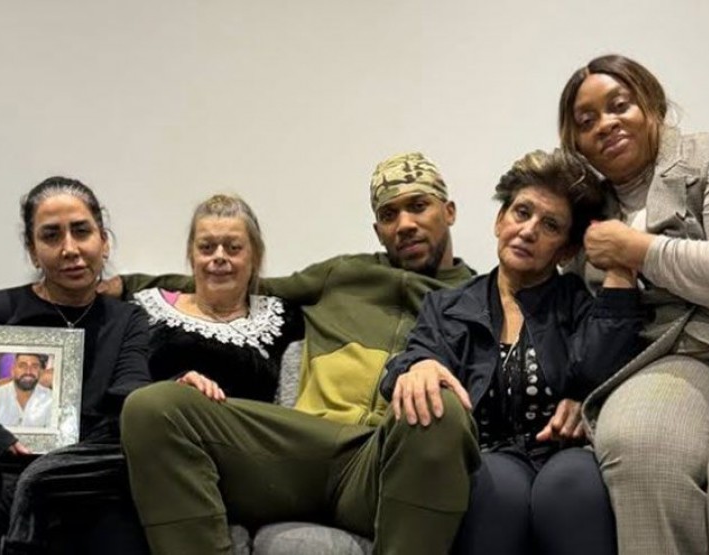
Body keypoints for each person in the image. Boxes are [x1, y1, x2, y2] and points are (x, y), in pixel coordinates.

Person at [118, 152, 482, 555]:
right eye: (389, 215)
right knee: (153, 407)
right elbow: (238, 278)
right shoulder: (343, 274)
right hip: (299, 448)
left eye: (418, 206)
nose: (405, 224)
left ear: (449, 211)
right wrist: (126, 285)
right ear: (377, 230)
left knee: (439, 409)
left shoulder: (477, 299)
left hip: (382, 465)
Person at [381, 148, 643, 555]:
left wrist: (620, 268)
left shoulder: (576, 301)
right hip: (492, 454)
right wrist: (416, 367)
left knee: (571, 485)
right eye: (522, 213)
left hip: (565, 454)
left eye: (550, 225)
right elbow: (411, 360)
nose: (528, 230)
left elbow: (600, 367)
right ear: (499, 220)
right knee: (496, 490)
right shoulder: (447, 306)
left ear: (566, 251)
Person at [558, 54, 709, 555]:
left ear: (652, 105)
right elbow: (577, 317)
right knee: (639, 443)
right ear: (577, 143)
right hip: (664, 360)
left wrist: (637, 251)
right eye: (587, 121)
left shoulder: (705, 158)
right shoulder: (584, 213)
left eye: (619, 105)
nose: (605, 124)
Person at [0, 176, 152, 555]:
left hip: (87, 478)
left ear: (104, 241)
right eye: (51, 236)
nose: (70, 249)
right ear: (33, 251)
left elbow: (132, 390)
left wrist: (172, 388)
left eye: (81, 231)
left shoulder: (127, 320)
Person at [133, 193, 303, 402]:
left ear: (255, 256)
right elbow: (125, 391)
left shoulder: (283, 319)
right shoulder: (147, 313)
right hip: (163, 418)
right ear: (191, 255)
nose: (219, 257)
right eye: (207, 247)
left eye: (233, 248)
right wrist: (175, 390)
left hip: (248, 422)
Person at [0, 354, 53, 428]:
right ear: (12, 370)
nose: (28, 371)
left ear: (41, 372)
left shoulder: (51, 399)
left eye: (34, 367)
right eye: (22, 366)